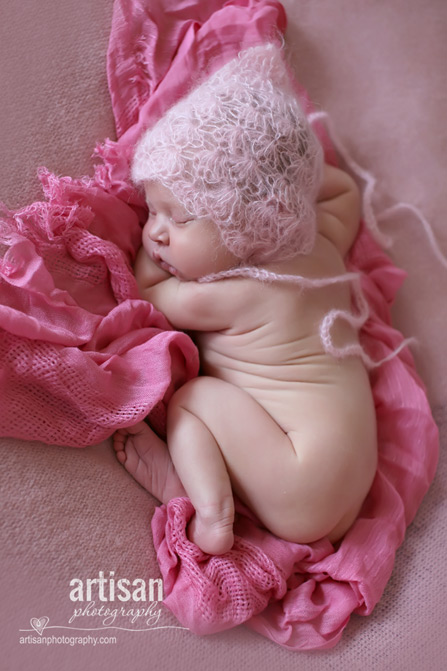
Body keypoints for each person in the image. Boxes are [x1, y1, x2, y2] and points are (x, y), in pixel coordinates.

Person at [113, 43, 378, 555]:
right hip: (350, 482)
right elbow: (341, 189)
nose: (156, 233)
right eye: (151, 210)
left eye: (180, 218)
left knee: (194, 402)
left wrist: (149, 253)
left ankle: (207, 508)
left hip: (301, 480)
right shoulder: (322, 243)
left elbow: (148, 292)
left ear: (256, 221)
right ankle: (228, 487)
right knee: (229, 417)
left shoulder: (237, 293)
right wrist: (285, 172)